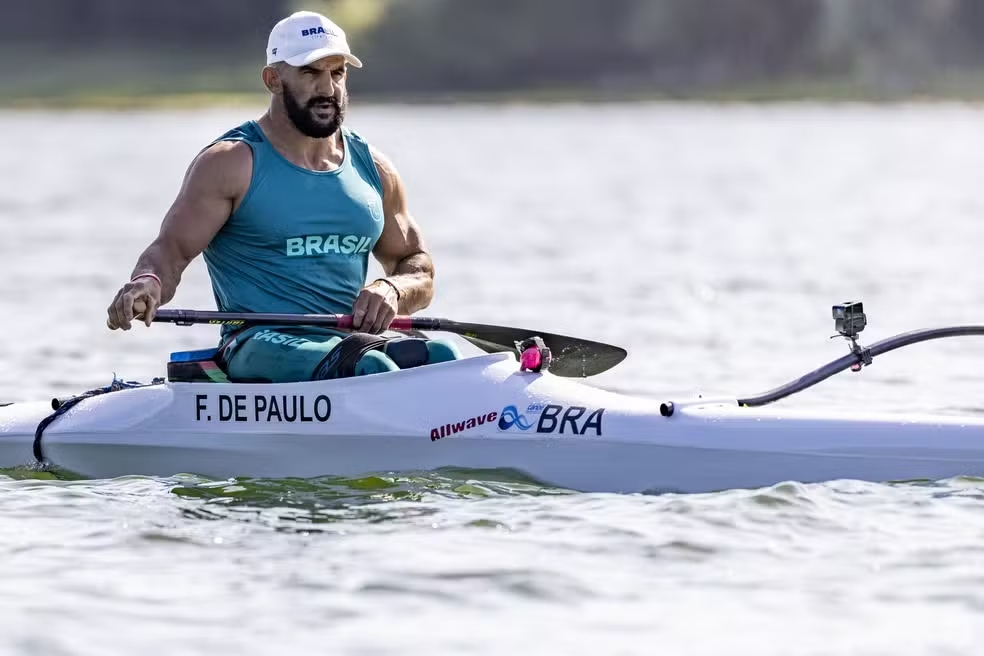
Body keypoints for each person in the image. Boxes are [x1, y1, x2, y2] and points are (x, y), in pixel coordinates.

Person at [105, 10, 461, 382]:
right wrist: (147, 283)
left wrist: (392, 288)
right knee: (372, 368)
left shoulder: (374, 169)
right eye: (310, 73)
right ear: (273, 79)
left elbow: (416, 265)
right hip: (258, 344)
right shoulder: (230, 164)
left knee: (444, 356)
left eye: (337, 73)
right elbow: (170, 252)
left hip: (351, 340)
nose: (328, 89)